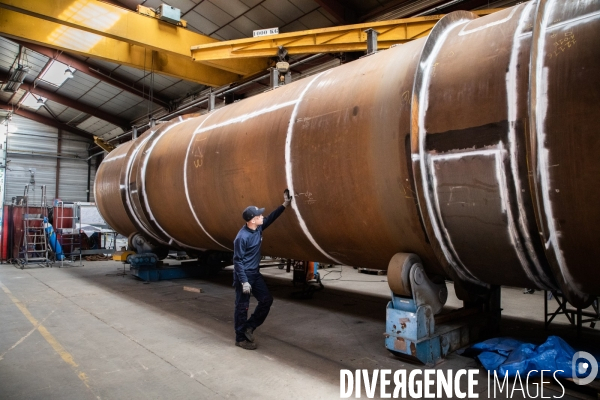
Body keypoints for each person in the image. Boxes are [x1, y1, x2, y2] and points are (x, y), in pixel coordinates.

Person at [233, 189, 292, 350]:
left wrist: (284, 205)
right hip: (243, 275)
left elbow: (271, 218)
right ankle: (240, 339)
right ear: (252, 220)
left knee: (266, 300)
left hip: (255, 274)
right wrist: (244, 281)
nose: (262, 217)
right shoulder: (241, 238)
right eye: (259, 216)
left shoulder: (258, 228)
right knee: (242, 307)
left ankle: (249, 327)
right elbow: (237, 261)